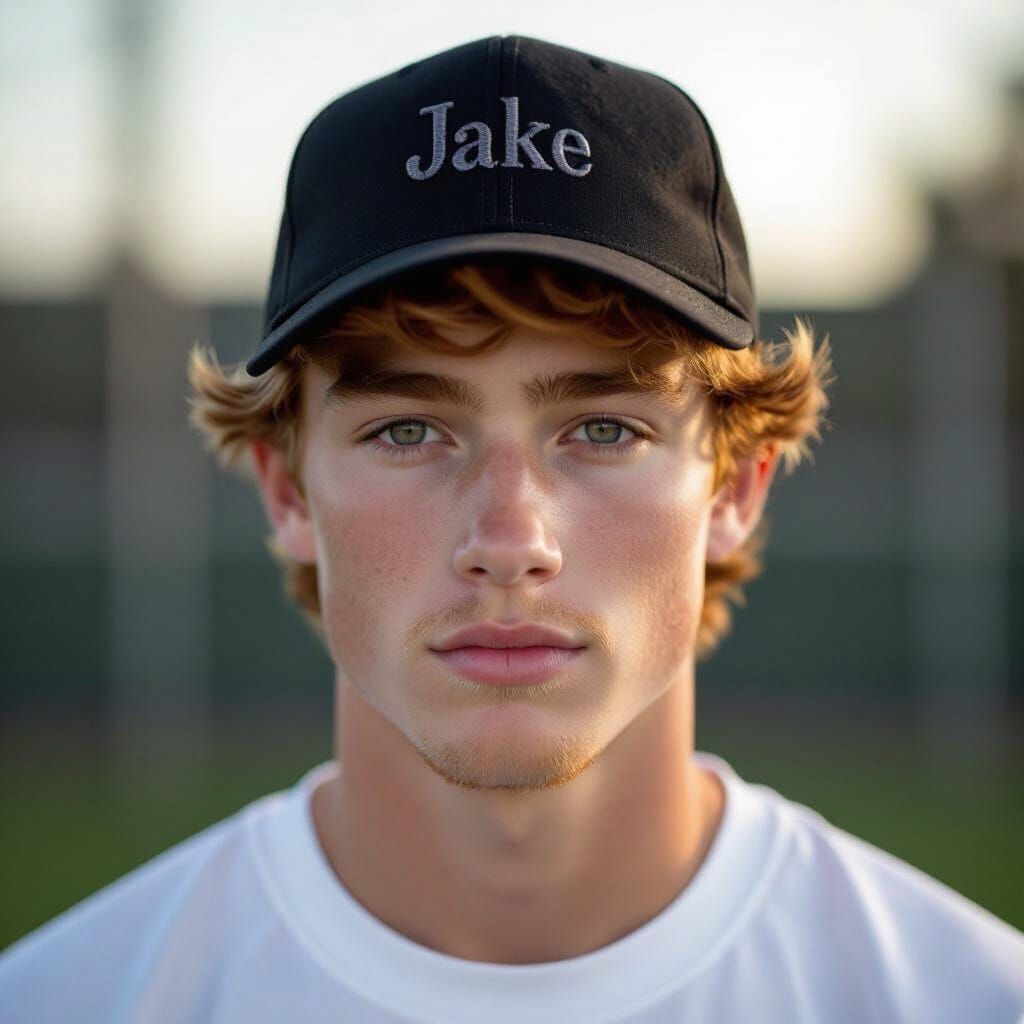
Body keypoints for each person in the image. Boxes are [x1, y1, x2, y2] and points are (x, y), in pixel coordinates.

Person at [2, 33, 1022, 1024]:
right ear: (287, 491)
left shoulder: (968, 999)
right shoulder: (66, 1000)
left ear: (733, 490)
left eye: (605, 429)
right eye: (407, 430)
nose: (509, 538)